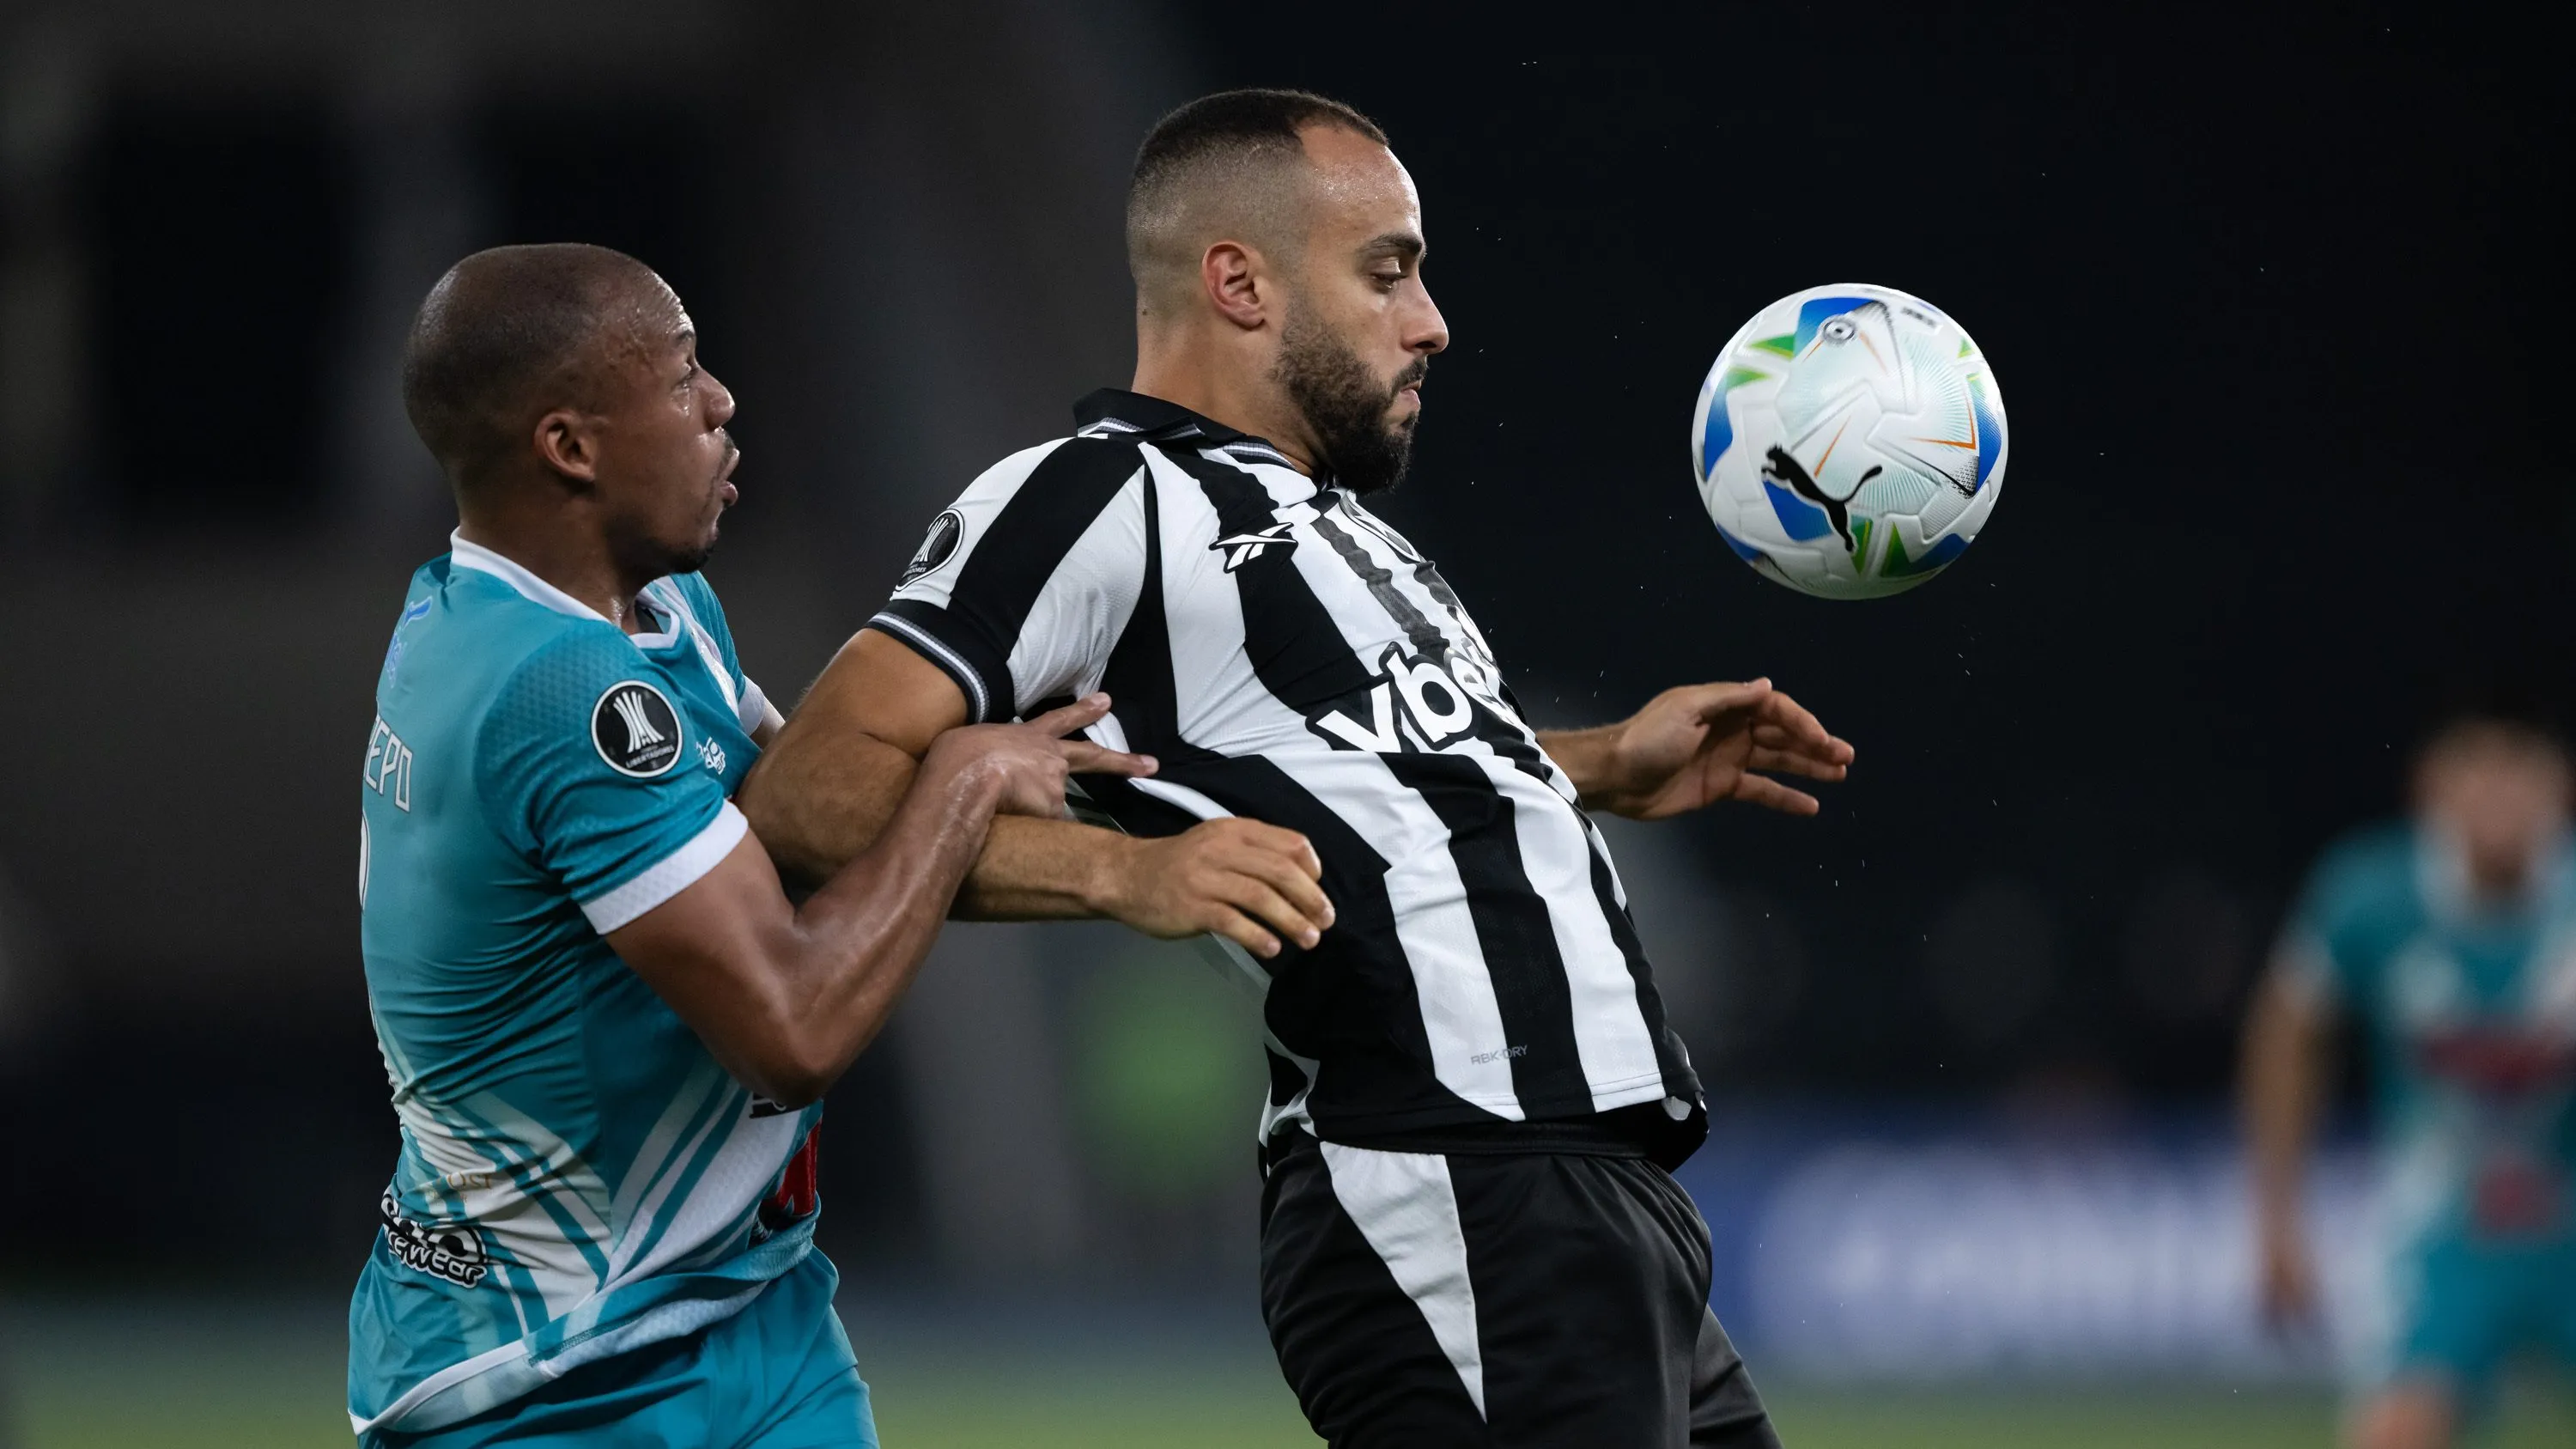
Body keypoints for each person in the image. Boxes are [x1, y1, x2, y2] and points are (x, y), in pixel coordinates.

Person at [739, 91, 1852, 1446]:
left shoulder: (1354, 537)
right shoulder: (1094, 493)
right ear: (1239, 282)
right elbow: (803, 798)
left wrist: (1600, 761)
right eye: (1388, 268)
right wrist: (1116, 867)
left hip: (1597, 1193)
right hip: (1452, 1181)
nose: (1431, 317)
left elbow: (1371, 787)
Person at [349, 243, 1148, 1447]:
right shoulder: (557, 689)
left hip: (750, 1311)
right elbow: (792, 1030)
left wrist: (1144, 846)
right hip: (549, 1373)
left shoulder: (639, 614)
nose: (721, 401)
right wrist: (966, 772)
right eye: (680, 376)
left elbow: (810, 821)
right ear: (569, 446)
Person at [2244, 706, 2576, 1449]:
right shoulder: (2372, 895)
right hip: (2445, 1225)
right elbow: (2286, 1029)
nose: (2500, 793)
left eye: (2520, 770)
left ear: (2559, 788)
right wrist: (2276, 1215)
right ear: (2434, 788)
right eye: (2478, 768)